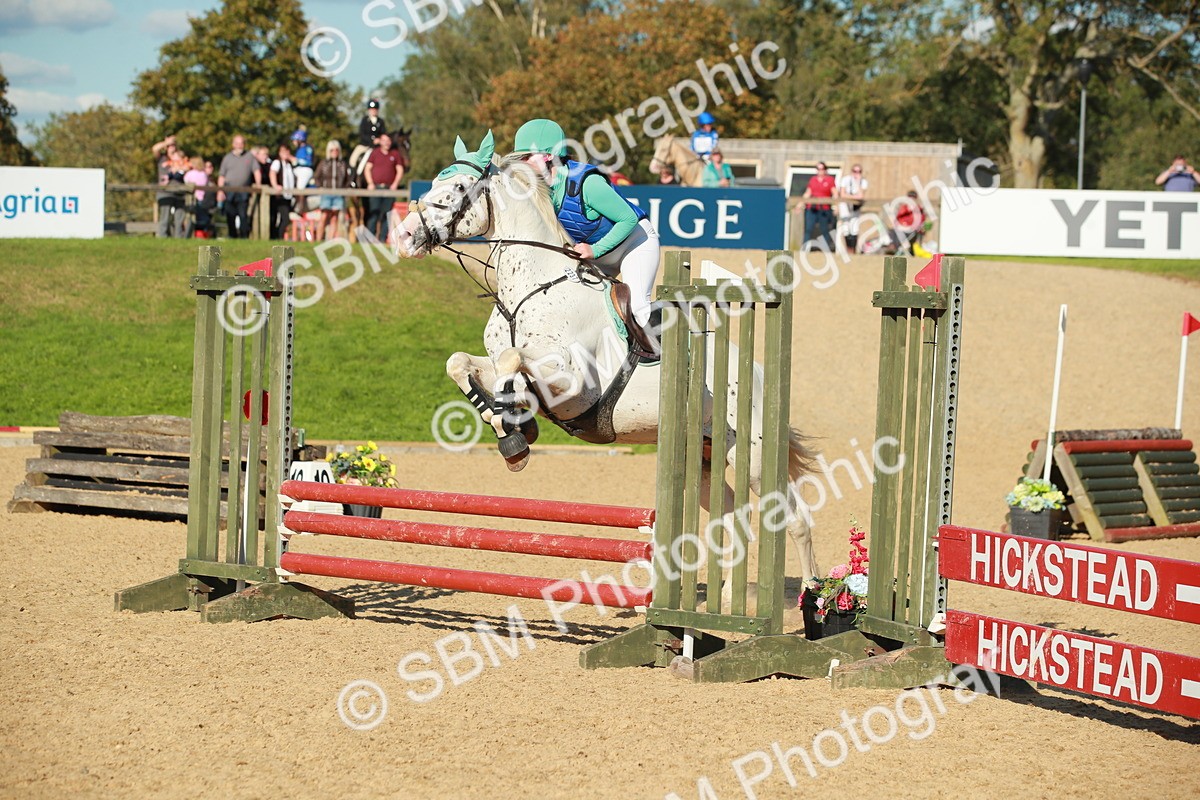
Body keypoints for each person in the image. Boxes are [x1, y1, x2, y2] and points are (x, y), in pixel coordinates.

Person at [511, 118, 660, 329]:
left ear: (548, 156)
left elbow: (629, 218)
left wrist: (596, 250)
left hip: (635, 244)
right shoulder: (539, 191)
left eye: (526, 157)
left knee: (635, 309)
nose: (521, 164)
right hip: (597, 257)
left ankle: (659, 359)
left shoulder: (587, 183)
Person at [217, 135, 260, 238]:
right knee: (230, 215)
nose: (239, 146)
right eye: (237, 143)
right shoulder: (227, 158)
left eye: (241, 143)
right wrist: (220, 191)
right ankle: (232, 236)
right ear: (233, 144)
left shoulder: (249, 156)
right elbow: (221, 176)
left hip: (243, 190)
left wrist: (258, 184)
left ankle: (244, 236)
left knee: (243, 215)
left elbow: (256, 171)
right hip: (229, 190)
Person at [363, 132, 403, 241]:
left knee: (386, 214)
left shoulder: (395, 154)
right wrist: (370, 183)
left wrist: (395, 184)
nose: (386, 143)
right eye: (384, 140)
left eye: (388, 140)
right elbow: (367, 169)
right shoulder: (374, 153)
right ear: (380, 141)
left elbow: (400, 170)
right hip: (376, 188)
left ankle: (382, 239)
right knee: (373, 213)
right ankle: (369, 239)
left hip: (389, 189)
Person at [314, 139, 349, 240]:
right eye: (332, 150)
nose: (334, 152)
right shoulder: (324, 163)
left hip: (338, 194)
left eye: (336, 150)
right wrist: (320, 187)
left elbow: (347, 179)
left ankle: (330, 240)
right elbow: (317, 176)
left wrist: (344, 189)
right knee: (324, 216)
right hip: (326, 193)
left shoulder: (342, 164)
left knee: (334, 218)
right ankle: (317, 240)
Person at [152, 135, 186, 238]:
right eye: (169, 145)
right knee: (164, 219)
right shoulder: (162, 158)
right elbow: (154, 149)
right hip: (165, 192)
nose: (171, 147)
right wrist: (166, 142)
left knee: (179, 219)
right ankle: (162, 239)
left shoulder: (181, 158)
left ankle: (179, 240)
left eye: (173, 145)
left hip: (179, 192)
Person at [801, 162, 837, 251]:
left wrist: (836, 206)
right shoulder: (813, 179)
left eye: (822, 169)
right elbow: (808, 193)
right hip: (812, 208)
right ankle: (804, 249)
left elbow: (835, 193)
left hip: (824, 209)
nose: (820, 171)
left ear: (825, 170)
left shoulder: (830, 180)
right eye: (818, 169)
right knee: (808, 229)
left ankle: (826, 250)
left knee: (824, 230)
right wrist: (800, 204)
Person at [268, 143, 297, 240]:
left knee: (284, 218)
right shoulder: (277, 162)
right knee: (284, 218)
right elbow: (272, 173)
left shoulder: (289, 164)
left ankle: (278, 236)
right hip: (280, 195)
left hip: (288, 195)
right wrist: (275, 185)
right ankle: (278, 236)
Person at [351, 99, 388, 177]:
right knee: (353, 159)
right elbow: (361, 134)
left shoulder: (381, 121)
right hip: (365, 145)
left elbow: (384, 134)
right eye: (371, 109)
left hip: (377, 147)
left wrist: (380, 140)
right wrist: (372, 140)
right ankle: (352, 177)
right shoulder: (364, 120)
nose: (373, 111)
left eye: (375, 109)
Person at [836, 163, 868, 253]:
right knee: (846, 227)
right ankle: (848, 250)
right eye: (855, 171)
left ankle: (853, 251)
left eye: (859, 171)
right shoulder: (845, 180)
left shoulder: (863, 181)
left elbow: (861, 195)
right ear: (851, 171)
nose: (856, 173)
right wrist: (854, 196)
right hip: (845, 206)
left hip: (855, 207)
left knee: (854, 228)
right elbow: (842, 194)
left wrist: (857, 183)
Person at [182, 156, 212, 238]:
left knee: (191, 218)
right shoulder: (204, 174)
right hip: (203, 199)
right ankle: (203, 235)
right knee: (202, 218)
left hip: (192, 199)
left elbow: (185, 182)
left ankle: (190, 235)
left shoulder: (190, 174)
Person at [291, 127, 315, 202]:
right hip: (299, 170)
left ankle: (300, 207)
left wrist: (293, 159)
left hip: (305, 171)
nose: (293, 142)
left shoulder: (307, 148)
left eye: (294, 140)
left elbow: (308, 162)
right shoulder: (298, 150)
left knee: (300, 189)